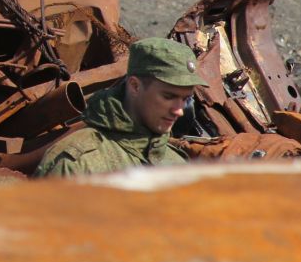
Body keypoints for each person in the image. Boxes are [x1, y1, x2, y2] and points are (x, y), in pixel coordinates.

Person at [34, 37, 206, 178]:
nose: (179, 110)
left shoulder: (177, 165)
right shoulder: (78, 163)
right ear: (135, 86)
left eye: (185, 99)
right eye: (168, 97)